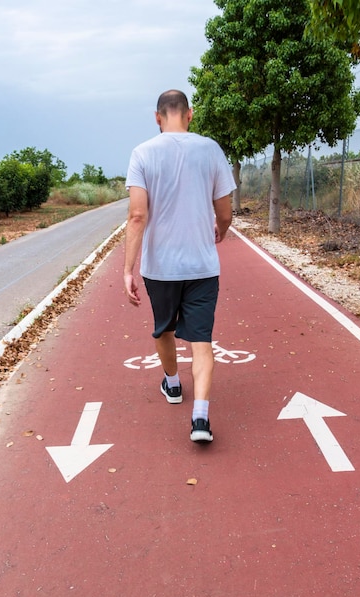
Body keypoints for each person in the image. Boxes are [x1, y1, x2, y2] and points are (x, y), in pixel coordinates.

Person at [124, 89, 236, 443]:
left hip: (160, 268)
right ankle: (200, 418)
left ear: (157, 117)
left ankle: (172, 384)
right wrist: (221, 228)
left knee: (165, 329)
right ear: (190, 115)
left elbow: (137, 215)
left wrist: (128, 269)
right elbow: (225, 211)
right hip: (203, 265)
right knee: (201, 341)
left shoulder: (142, 153)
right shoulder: (211, 149)